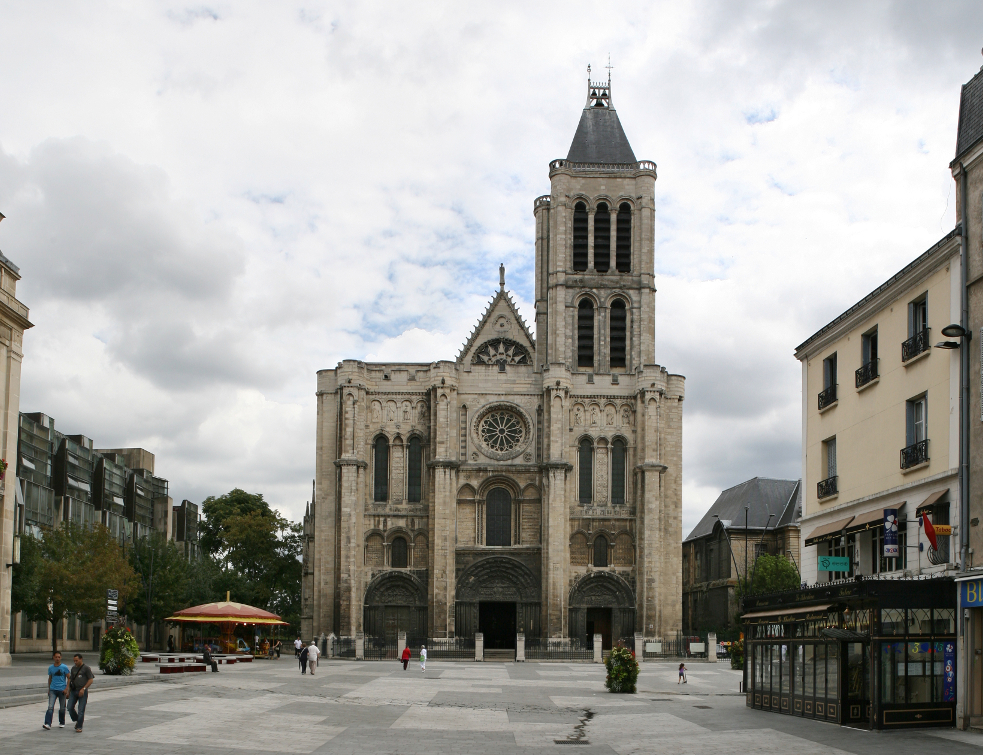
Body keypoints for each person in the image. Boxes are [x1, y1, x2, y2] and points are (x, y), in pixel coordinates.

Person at [67, 653, 94, 733]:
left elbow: (91, 680)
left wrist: (84, 688)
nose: (75, 662)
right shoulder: (73, 669)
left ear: (81, 659)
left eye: (77, 660)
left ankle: (79, 726)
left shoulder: (86, 668)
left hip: (82, 691)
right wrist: (68, 691)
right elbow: (71, 680)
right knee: (69, 707)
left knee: (81, 709)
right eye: (74, 661)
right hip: (74, 690)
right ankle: (77, 719)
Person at [43, 651, 70, 730]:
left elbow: (69, 678)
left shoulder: (64, 667)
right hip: (53, 689)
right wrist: (49, 688)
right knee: (50, 707)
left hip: (62, 689)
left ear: (61, 657)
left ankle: (62, 722)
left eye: (59, 657)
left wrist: (66, 689)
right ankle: (47, 723)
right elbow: (50, 678)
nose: (57, 659)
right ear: (53, 658)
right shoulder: (51, 668)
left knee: (62, 708)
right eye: (56, 657)